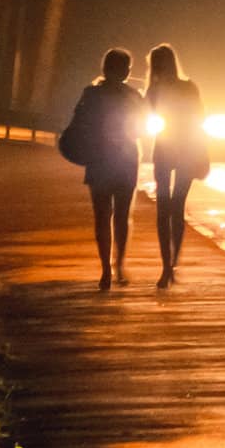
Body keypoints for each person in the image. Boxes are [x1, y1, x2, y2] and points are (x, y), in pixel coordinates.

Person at [68, 48, 145, 290]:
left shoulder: (91, 94)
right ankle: (119, 265)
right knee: (122, 216)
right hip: (126, 160)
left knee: (102, 215)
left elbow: (79, 123)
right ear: (126, 71)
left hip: (99, 159)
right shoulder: (134, 96)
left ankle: (105, 270)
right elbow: (143, 129)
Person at [145, 43, 209, 290]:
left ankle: (166, 268)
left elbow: (147, 114)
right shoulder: (190, 88)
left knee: (163, 210)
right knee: (177, 209)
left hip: (164, 150)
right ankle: (172, 264)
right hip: (188, 151)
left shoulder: (155, 90)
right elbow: (200, 118)